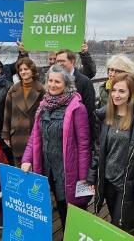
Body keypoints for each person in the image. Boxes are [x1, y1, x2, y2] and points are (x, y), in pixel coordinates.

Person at [20, 64, 92, 230]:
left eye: (57, 82)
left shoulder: (76, 108)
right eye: (50, 81)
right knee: (57, 205)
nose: (52, 85)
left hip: (69, 171)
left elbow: (83, 145)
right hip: (47, 168)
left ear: (67, 85)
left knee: (73, 210)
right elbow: (34, 138)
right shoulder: (44, 105)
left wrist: (83, 178)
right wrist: (26, 159)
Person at [87, 73, 134, 238]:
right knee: (115, 222)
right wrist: (92, 176)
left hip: (127, 185)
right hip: (108, 182)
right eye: (114, 90)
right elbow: (98, 151)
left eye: (122, 91)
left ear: (131, 94)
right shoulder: (104, 117)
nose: (116, 95)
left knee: (123, 226)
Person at [1, 57, 45, 167]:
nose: (23, 72)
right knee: (19, 169)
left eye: (26, 69)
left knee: (36, 168)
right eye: (20, 70)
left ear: (32, 71)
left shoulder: (41, 89)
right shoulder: (13, 89)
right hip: (17, 135)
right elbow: (7, 112)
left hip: (34, 135)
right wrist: (6, 134)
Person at [55, 48, 97, 143]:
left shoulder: (84, 82)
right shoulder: (53, 81)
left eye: (62, 61)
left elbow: (90, 113)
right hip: (58, 134)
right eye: (57, 61)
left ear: (72, 62)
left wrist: (87, 139)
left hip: (77, 134)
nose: (59, 64)